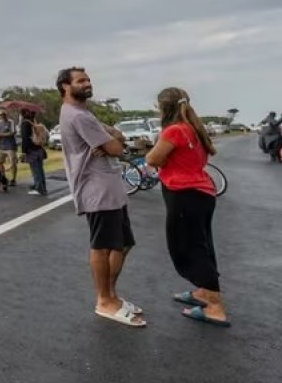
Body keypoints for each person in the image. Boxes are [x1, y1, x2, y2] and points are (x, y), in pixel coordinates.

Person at [57, 67, 145, 327]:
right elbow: (117, 148)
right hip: (97, 189)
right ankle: (104, 301)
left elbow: (116, 138)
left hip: (110, 187)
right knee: (103, 245)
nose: (87, 83)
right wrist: (112, 142)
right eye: (80, 80)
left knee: (123, 243)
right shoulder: (78, 116)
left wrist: (111, 139)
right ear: (65, 86)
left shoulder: (85, 114)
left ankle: (111, 295)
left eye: (88, 79)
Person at [144, 88, 230, 327]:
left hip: (184, 194)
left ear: (163, 107)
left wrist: (151, 149)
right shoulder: (192, 128)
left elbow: (152, 159)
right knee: (201, 244)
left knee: (190, 248)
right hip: (201, 193)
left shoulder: (174, 130)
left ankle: (214, 307)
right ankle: (203, 292)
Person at [20, 110, 48, 196]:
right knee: (40, 170)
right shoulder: (34, 122)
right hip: (38, 148)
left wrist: (24, 152)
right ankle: (42, 187)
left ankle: (39, 189)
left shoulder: (25, 124)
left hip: (31, 150)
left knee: (35, 171)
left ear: (23, 114)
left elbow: (25, 139)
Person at [0, 110, 18, 185]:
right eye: (0, 115)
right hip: (0, 146)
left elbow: (13, 132)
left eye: (3, 114)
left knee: (13, 163)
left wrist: (0, 135)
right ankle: (3, 178)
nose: (2, 116)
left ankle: (13, 179)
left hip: (10, 146)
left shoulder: (11, 122)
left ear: (7, 114)